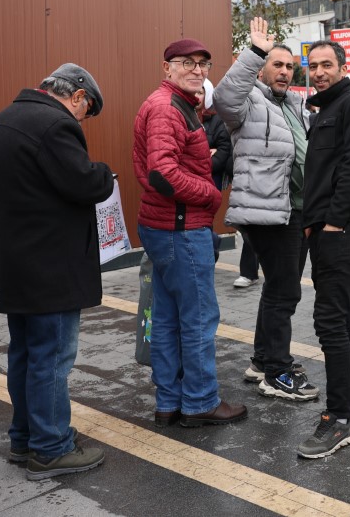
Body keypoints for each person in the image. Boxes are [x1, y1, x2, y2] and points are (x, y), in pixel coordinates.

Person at [0, 64, 111, 480]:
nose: (82, 119)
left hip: (17, 263)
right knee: (51, 359)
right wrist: (105, 173)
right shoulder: (54, 125)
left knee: (25, 354)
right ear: (77, 96)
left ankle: (25, 438)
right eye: (86, 111)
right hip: (52, 266)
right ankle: (51, 448)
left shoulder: (0, 122)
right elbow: (85, 182)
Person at [133, 39, 247, 428]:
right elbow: (162, 173)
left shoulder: (178, 104)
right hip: (180, 229)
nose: (197, 70)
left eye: (203, 64)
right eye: (187, 63)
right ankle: (199, 401)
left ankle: (169, 401)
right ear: (167, 68)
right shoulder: (168, 108)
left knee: (166, 317)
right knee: (198, 318)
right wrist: (210, 195)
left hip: (164, 227)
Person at [213, 21, 319, 402]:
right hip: (267, 210)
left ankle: (262, 360)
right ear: (261, 69)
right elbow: (223, 97)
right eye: (277, 65)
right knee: (285, 290)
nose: (285, 72)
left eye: (290, 66)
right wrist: (255, 50)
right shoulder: (248, 102)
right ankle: (276, 372)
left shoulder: (290, 103)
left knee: (278, 289)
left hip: (295, 210)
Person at [298, 39, 350, 459]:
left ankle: (339, 418)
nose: (318, 72)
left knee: (329, 321)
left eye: (326, 65)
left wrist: (332, 222)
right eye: (312, 66)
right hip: (329, 230)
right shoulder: (324, 110)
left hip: (343, 230)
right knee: (341, 318)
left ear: (342, 65)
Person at [199, 79, 232, 260]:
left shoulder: (217, 119)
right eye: (194, 92)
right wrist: (204, 154)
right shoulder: (180, 115)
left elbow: (224, 148)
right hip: (188, 179)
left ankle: (208, 252)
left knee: (205, 217)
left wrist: (203, 164)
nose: (197, 97)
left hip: (212, 178)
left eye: (201, 93)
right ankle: (211, 244)